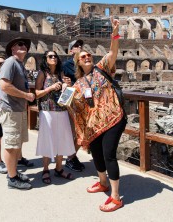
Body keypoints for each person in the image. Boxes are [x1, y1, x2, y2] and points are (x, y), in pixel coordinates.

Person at [69, 18, 127, 212]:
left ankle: (116, 196)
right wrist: (67, 97)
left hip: (113, 117)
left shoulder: (102, 68)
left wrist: (115, 33)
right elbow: (77, 106)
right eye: (83, 56)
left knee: (109, 154)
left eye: (88, 55)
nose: (87, 57)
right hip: (95, 124)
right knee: (96, 153)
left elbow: (112, 52)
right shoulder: (78, 84)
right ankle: (103, 182)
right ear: (78, 61)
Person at [0, 37, 35, 190]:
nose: (24, 46)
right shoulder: (10, 62)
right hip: (10, 109)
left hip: (18, 109)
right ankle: (12, 179)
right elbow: (4, 85)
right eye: (20, 44)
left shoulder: (20, 65)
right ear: (12, 49)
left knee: (16, 144)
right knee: (11, 145)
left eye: (25, 45)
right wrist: (26, 95)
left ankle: (13, 172)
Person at [35, 51, 75, 184]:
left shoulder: (61, 73)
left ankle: (59, 168)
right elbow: (36, 93)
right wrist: (50, 88)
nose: (54, 58)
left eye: (55, 56)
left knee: (61, 139)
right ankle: (45, 169)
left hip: (61, 110)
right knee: (48, 139)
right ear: (45, 59)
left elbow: (67, 90)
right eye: (50, 56)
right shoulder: (42, 73)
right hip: (47, 110)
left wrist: (67, 85)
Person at [62, 39, 85, 172]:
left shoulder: (85, 62)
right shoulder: (67, 65)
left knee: (82, 131)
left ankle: (71, 157)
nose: (79, 47)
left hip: (85, 101)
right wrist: (66, 83)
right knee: (76, 131)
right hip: (73, 102)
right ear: (71, 50)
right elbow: (62, 80)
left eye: (80, 45)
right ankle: (70, 158)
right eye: (76, 46)